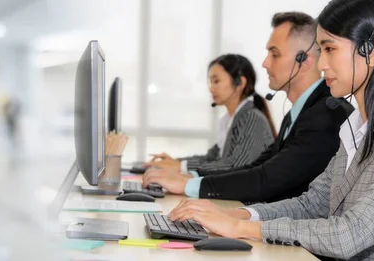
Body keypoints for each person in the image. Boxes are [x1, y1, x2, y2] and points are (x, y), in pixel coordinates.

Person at [167, 0, 374, 260]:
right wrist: (239, 214)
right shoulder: (355, 129)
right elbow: (311, 204)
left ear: (371, 52)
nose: (322, 64)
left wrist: (241, 227)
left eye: (329, 49)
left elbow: (349, 235)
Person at [143, 12, 352, 203]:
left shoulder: (325, 116)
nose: (265, 63)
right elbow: (256, 167)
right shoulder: (298, 114)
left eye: (275, 54)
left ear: (303, 61)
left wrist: (188, 183)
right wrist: (190, 179)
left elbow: (267, 179)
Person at [145, 54, 276, 173]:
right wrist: (176, 162)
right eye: (210, 82)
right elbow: (211, 158)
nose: (211, 88)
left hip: (248, 200)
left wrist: (180, 167)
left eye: (216, 81)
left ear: (240, 83)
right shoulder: (231, 119)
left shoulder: (251, 118)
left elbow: (235, 166)